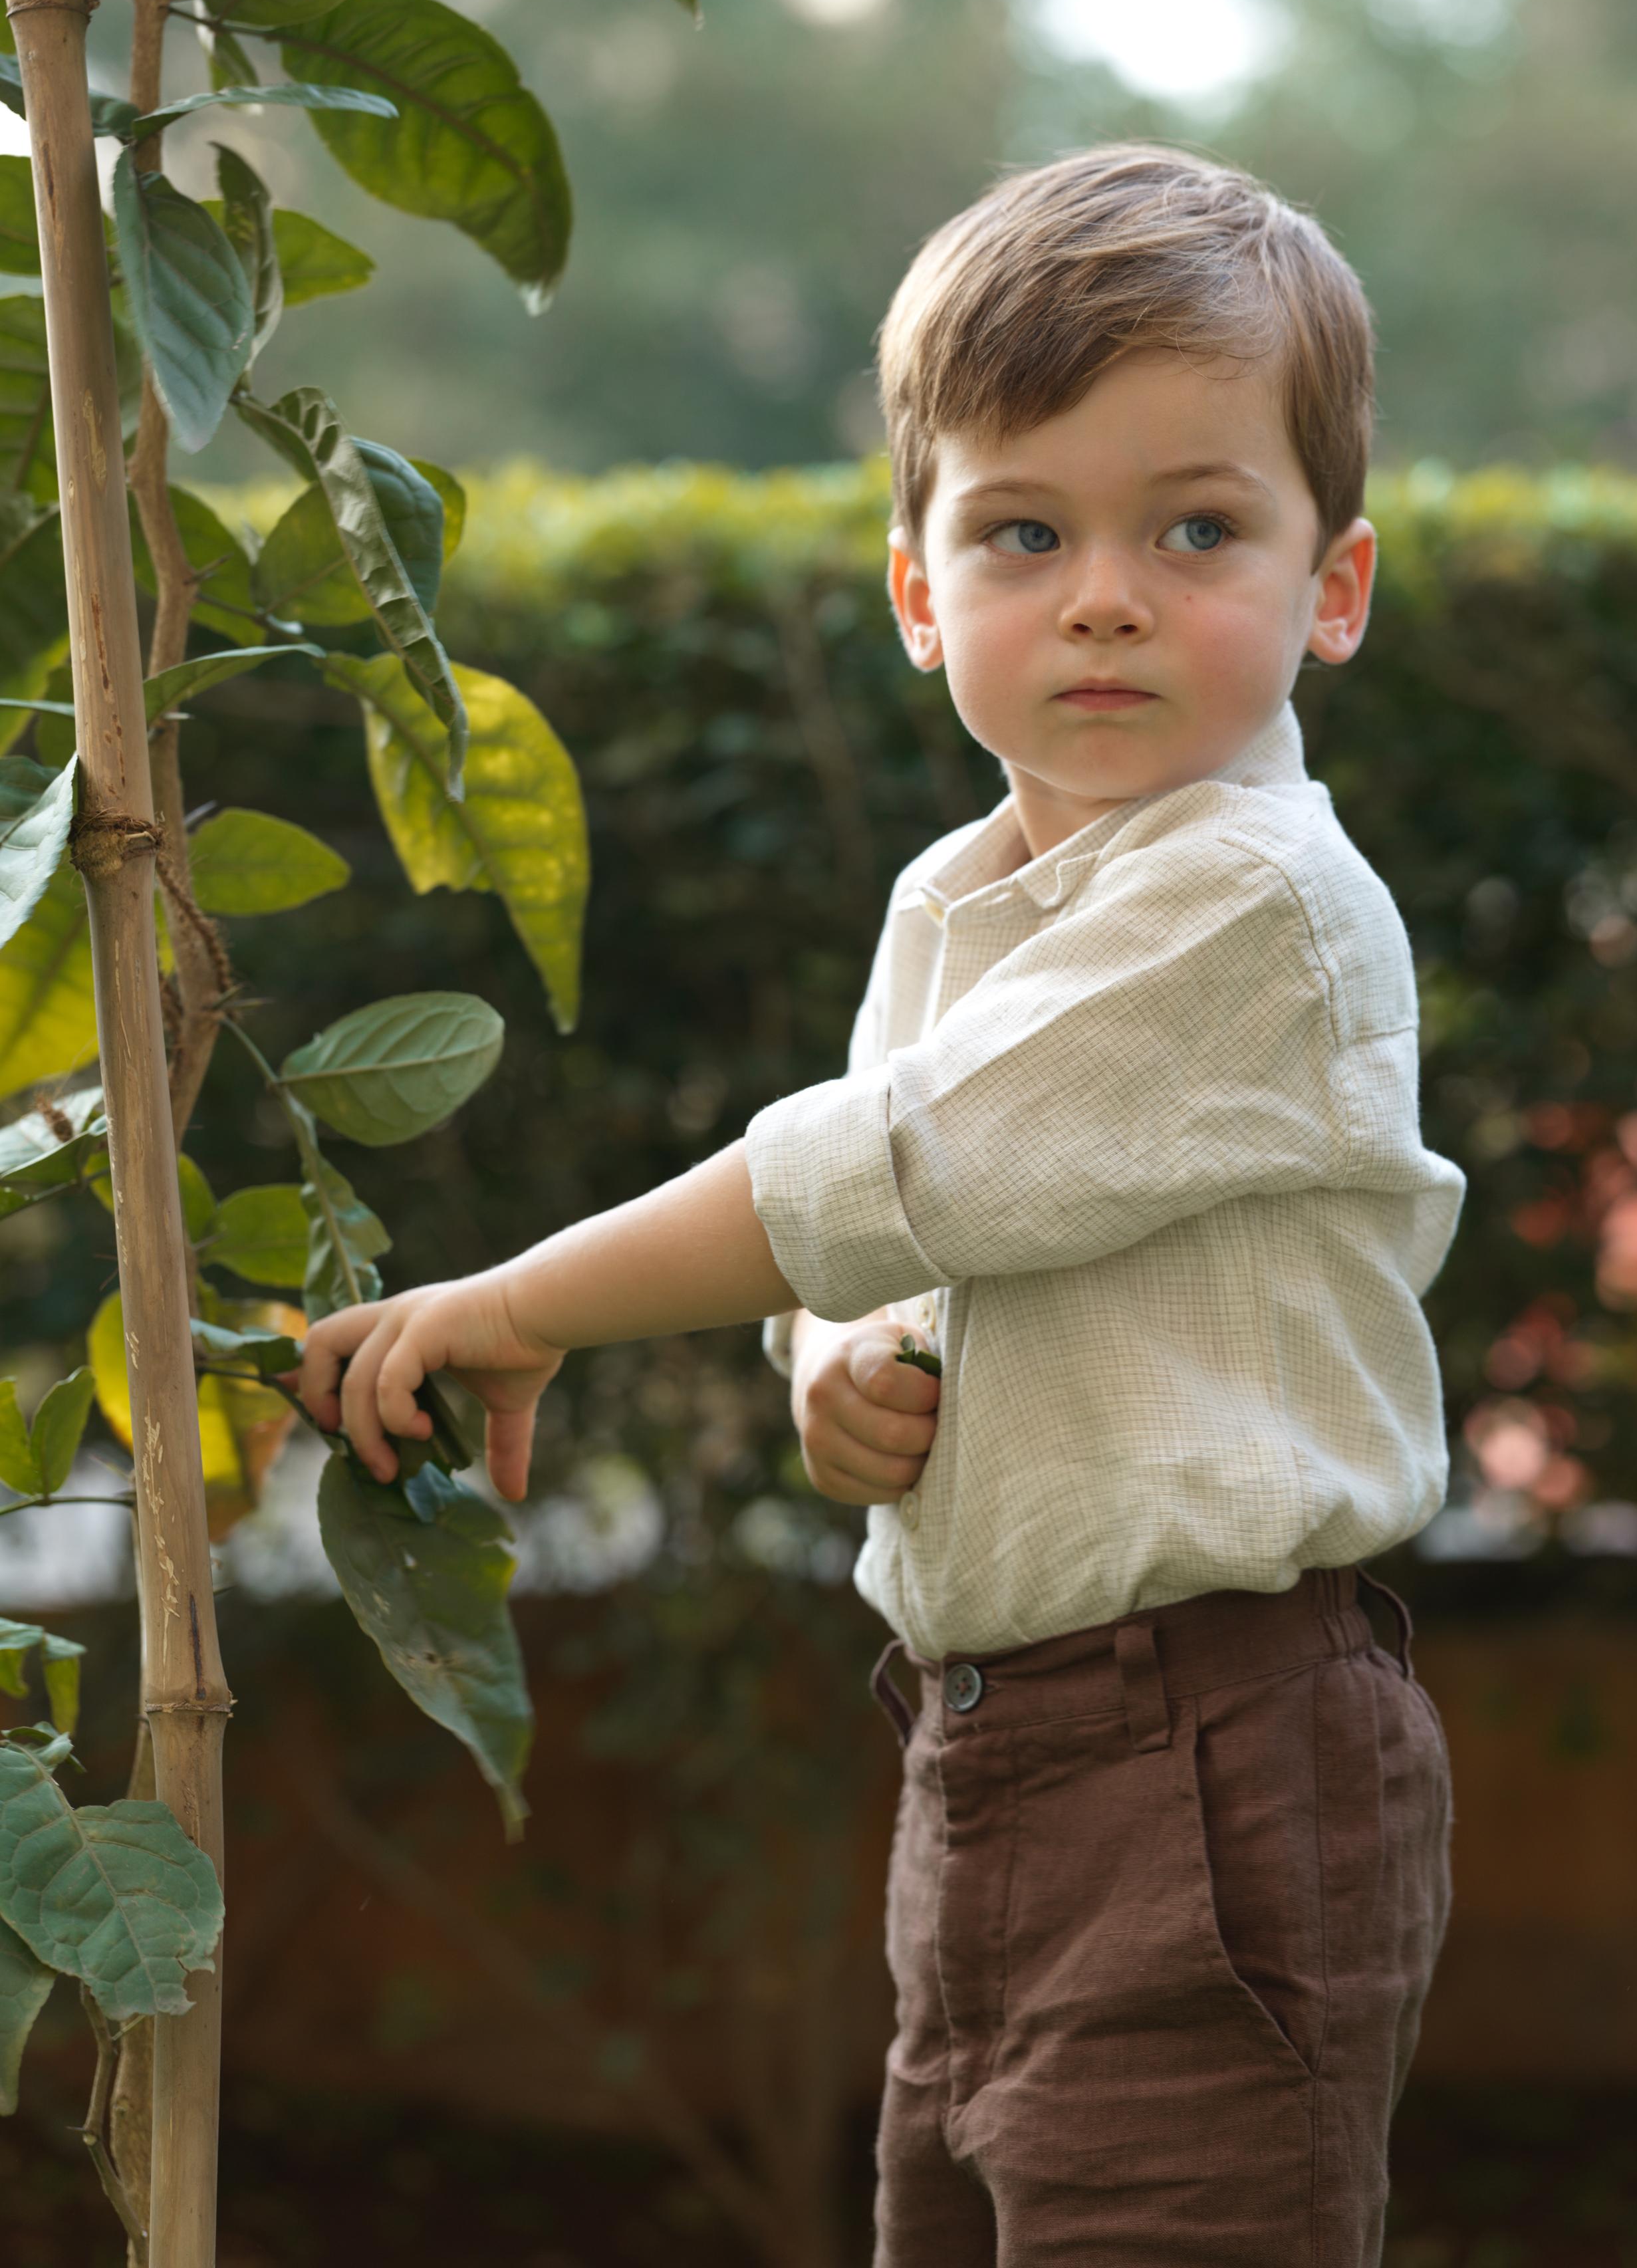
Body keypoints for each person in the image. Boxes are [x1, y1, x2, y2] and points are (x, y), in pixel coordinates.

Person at [295, 143, 1465, 2266]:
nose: (1103, 591)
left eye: (1196, 528)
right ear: (923, 594)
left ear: (1334, 588)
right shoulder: (960, 895)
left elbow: (881, 1169)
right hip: (992, 1750)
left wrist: (536, 1300)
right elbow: (896, 1233)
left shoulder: (1254, 900)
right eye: (1025, 532)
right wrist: (845, 1360)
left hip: (1216, 1748)